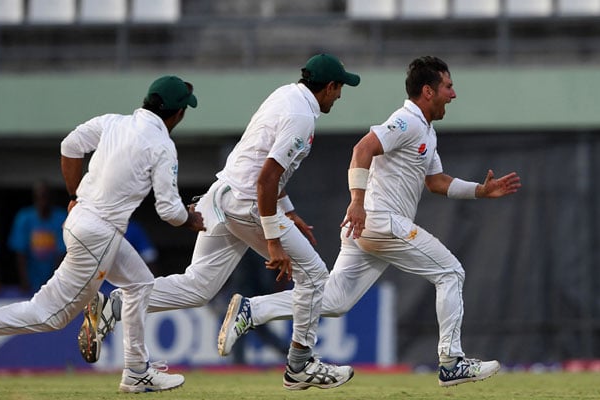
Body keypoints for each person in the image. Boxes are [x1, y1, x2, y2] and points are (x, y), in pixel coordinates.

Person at [218, 56, 522, 388]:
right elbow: (362, 149)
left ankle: (253, 311)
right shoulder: (407, 122)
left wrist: (480, 190)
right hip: (379, 221)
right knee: (450, 272)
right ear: (428, 91)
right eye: (448, 87)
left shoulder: (426, 130)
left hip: (371, 228)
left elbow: (436, 182)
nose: (453, 94)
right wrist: (357, 203)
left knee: (333, 301)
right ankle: (451, 361)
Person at [78, 54, 360, 390]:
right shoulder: (301, 116)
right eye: (339, 88)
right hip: (247, 203)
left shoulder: (285, 95)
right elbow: (266, 178)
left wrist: (287, 209)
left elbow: (258, 163)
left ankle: (114, 306)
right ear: (328, 86)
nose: (340, 95)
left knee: (198, 286)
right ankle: (300, 365)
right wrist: (273, 239)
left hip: (223, 195)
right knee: (314, 276)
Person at [0, 75, 205, 394]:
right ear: (176, 113)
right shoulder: (162, 146)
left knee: (140, 283)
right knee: (51, 315)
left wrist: (75, 192)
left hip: (80, 222)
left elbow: (70, 146)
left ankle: (136, 369)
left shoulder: (113, 122)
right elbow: (169, 212)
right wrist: (193, 219)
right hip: (99, 236)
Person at [8, 181, 67, 292]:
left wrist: (54, 282)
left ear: (51, 198)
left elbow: (62, 253)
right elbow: (20, 252)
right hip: (30, 281)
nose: (42, 201)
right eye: (39, 197)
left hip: (55, 280)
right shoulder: (24, 217)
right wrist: (24, 280)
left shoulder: (61, 217)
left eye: (45, 196)